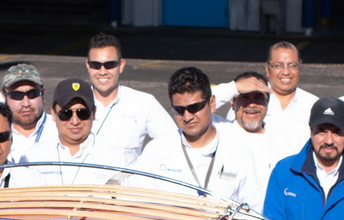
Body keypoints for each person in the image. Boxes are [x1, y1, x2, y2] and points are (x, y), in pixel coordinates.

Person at [133, 67, 264, 206]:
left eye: (195, 107)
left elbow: (252, 210)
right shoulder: (156, 151)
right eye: (179, 110)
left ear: (212, 103)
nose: (187, 117)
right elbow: (138, 203)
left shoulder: (239, 152)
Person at [83, 33, 167, 167]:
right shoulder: (75, 103)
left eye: (110, 65)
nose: (103, 71)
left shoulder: (144, 103)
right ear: (88, 66)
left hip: (127, 187)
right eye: (96, 65)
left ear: (121, 65)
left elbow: (171, 142)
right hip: (83, 186)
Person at [27, 79, 105, 185]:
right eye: (66, 113)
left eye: (82, 113)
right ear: (53, 114)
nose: (75, 121)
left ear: (94, 113)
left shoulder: (115, 158)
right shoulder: (32, 158)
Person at [1, 63, 55, 162]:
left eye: (32, 94)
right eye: (16, 95)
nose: (26, 103)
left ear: (43, 94)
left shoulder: (60, 130)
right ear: (4, 97)